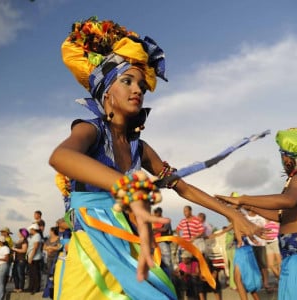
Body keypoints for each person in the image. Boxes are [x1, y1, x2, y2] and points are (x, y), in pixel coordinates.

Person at [48, 16, 265, 300]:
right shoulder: (91, 130)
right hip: (92, 258)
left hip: (129, 250)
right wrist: (128, 188)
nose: (138, 89)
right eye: (127, 81)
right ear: (106, 92)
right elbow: (61, 157)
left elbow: (181, 185)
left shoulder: (142, 148)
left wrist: (232, 213)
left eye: (141, 84)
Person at [216, 127, 297, 300]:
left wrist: (243, 199)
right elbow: (282, 216)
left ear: (287, 157)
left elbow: (288, 201)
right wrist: (248, 207)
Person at [152, 207, 173, 275]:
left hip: (163, 242)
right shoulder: (153, 222)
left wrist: (155, 230)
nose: (154, 214)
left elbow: (164, 229)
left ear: (160, 213)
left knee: (167, 261)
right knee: (157, 261)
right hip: (155, 243)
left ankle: (170, 277)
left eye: (156, 212)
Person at [26, 223, 43, 295]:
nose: (30, 230)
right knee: (31, 273)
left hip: (35, 258)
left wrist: (31, 257)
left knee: (35, 273)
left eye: (30, 229)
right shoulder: (34, 236)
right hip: (32, 257)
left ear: (33, 229)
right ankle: (31, 287)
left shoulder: (37, 236)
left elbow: (35, 247)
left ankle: (35, 288)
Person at [11, 228, 29, 293]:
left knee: (20, 274)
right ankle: (16, 287)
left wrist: (15, 249)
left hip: (21, 260)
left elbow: (24, 250)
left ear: (22, 234)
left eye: (19, 232)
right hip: (16, 259)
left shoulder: (25, 241)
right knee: (15, 274)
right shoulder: (19, 241)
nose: (18, 234)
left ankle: (21, 288)